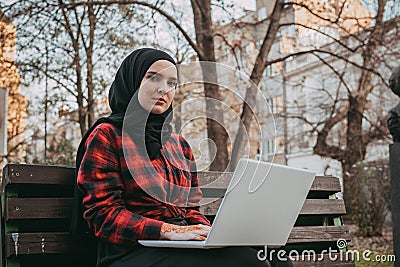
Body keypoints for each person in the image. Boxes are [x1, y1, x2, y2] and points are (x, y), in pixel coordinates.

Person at [72, 48, 293, 267]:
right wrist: (168, 231)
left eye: (171, 83)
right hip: (129, 251)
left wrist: (207, 232)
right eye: (153, 78)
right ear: (132, 81)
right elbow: (104, 215)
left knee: (274, 258)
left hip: (178, 246)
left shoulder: (178, 144)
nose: (163, 89)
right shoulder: (107, 135)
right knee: (245, 262)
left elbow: (190, 208)